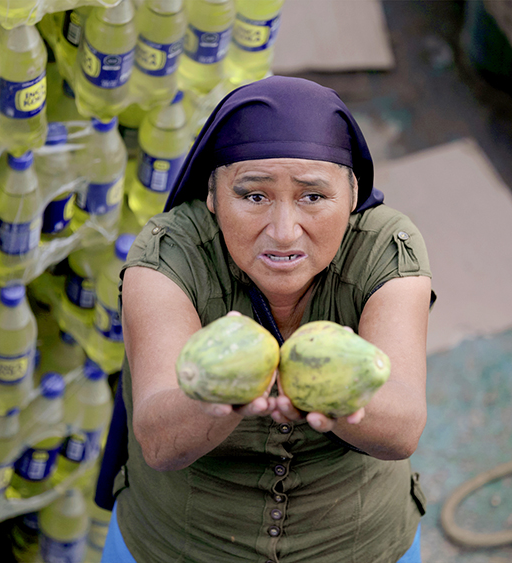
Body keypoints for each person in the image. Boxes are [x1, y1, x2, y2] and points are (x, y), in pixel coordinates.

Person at [101, 76, 433, 563]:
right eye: (254, 196)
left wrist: (337, 398)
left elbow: (403, 429)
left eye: (313, 197)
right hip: (174, 548)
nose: (283, 232)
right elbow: (157, 440)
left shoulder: (387, 250)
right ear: (212, 195)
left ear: (353, 194)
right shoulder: (167, 256)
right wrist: (226, 395)